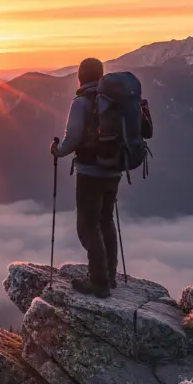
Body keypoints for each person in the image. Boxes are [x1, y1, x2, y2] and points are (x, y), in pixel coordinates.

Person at [50, 57, 120, 298]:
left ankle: (98, 281)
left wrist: (57, 151)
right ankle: (110, 276)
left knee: (88, 226)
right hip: (115, 170)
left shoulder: (81, 102)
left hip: (90, 171)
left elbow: (73, 138)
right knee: (106, 220)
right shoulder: (115, 100)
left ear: (80, 77)